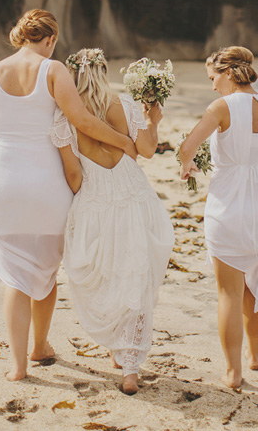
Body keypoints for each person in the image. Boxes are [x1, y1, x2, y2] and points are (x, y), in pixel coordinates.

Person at [0, 10, 137, 382]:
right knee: (44, 270)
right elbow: (81, 121)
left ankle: (18, 365)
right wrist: (124, 141)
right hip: (46, 184)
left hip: (2, 181)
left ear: (19, 36)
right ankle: (40, 345)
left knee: (15, 277)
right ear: (50, 39)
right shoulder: (53, 70)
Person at [52, 48, 174, 395]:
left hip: (95, 199)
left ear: (73, 78)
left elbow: (73, 175)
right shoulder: (126, 105)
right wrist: (155, 120)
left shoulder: (64, 119)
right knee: (134, 274)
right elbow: (147, 151)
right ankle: (130, 367)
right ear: (105, 72)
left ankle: (120, 352)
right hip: (134, 196)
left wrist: (83, 196)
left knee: (106, 275)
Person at [178, 46, 258, 390]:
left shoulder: (221, 107)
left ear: (228, 73)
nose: (213, 86)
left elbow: (187, 147)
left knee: (228, 292)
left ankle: (233, 373)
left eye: (213, 78)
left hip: (228, 206)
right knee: (255, 287)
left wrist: (187, 165)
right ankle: (256, 356)